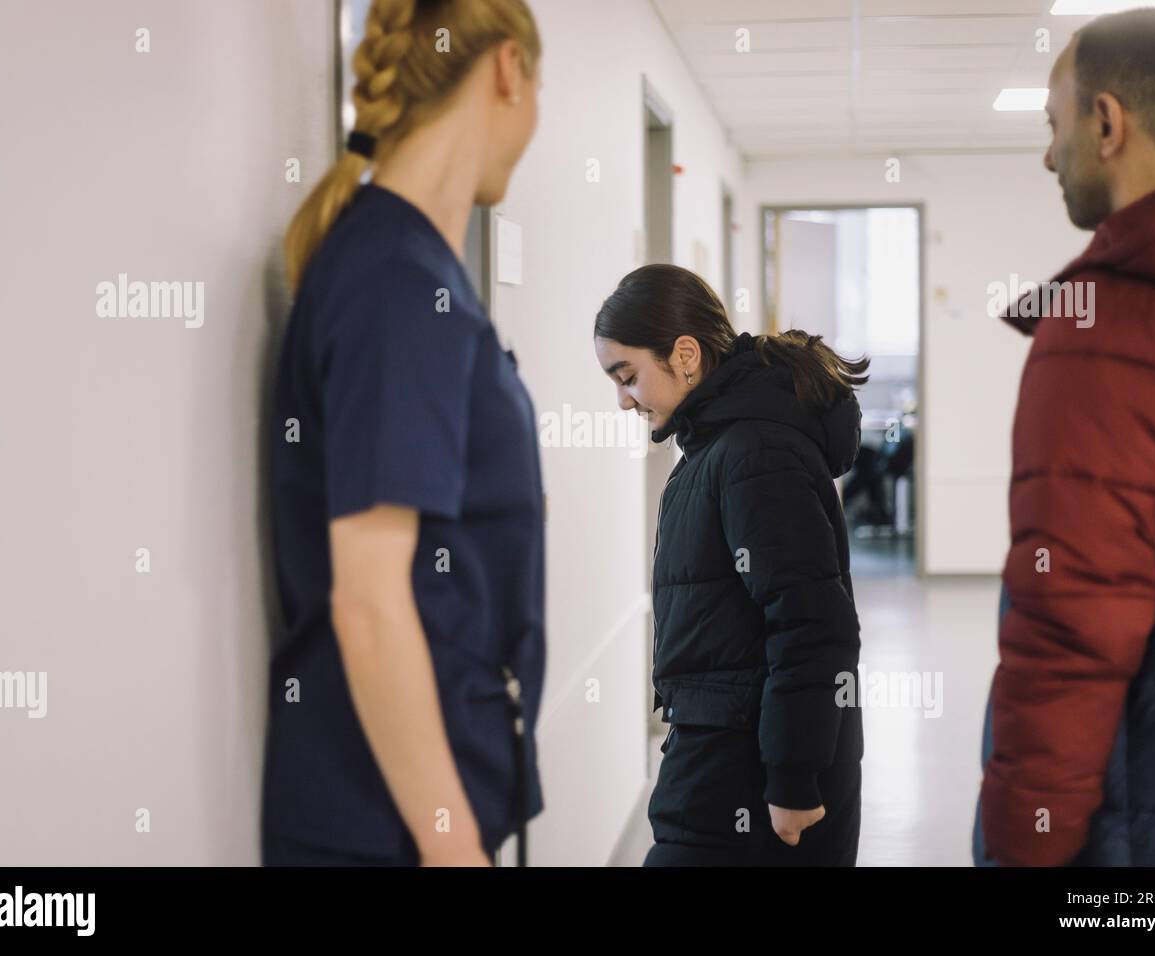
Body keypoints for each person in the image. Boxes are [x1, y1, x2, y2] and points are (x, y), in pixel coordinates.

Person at [262, 0, 546, 867]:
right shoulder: (396, 282)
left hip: (403, 806)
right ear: (506, 69)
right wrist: (451, 842)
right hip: (389, 826)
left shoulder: (410, 272)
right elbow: (372, 602)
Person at [974, 7, 1155, 866]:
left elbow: (1071, 629)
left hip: (1147, 830)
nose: (1050, 155)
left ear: (1106, 121)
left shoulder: (1107, 327)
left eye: (1055, 126)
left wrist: (1023, 843)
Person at [594, 263, 869, 866]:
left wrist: (793, 779)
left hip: (751, 773)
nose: (622, 400)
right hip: (721, 753)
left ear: (685, 354)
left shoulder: (753, 452)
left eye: (628, 376)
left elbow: (811, 623)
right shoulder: (718, 446)